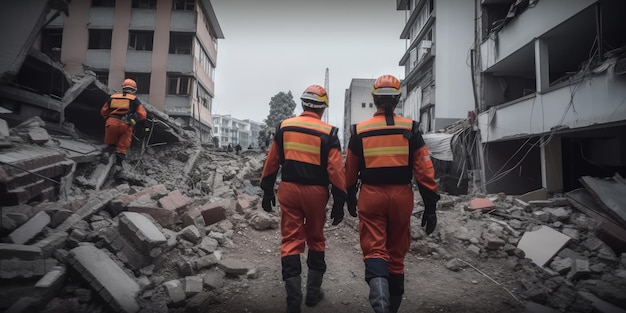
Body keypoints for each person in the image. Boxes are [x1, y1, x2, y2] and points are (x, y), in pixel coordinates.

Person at [344, 75, 440, 313]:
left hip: (371, 196)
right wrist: (430, 206)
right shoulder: (411, 128)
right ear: (397, 99)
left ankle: (380, 306)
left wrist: (347, 196)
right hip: (401, 197)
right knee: (396, 254)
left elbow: (349, 171)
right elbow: (425, 170)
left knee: (375, 250)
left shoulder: (360, 130)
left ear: (375, 99)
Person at [260, 84, 350, 313]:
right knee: (316, 240)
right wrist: (340, 201)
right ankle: (312, 293)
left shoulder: (284, 127)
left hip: (289, 190)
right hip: (316, 194)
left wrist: (267, 188)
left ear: (302, 104)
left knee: (290, 241)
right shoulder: (329, 133)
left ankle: (293, 300)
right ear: (322, 108)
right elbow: (336, 171)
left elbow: (272, 161)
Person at [100, 78, 149, 168]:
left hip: (111, 122)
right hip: (125, 124)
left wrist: (108, 119)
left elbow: (103, 111)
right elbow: (142, 114)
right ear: (134, 90)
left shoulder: (113, 97)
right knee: (122, 146)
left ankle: (107, 153)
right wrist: (145, 127)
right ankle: (118, 165)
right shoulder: (134, 99)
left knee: (111, 143)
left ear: (123, 88)